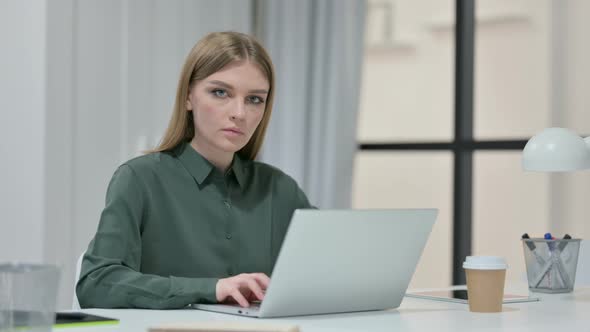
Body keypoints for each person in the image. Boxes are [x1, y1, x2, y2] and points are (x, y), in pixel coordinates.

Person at [76, 31, 313, 309]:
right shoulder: (139, 180)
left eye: (254, 99)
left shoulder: (279, 189)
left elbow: (332, 272)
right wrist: (211, 288)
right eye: (220, 92)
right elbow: (95, 283)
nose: (240, 112)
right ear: (188, 97)